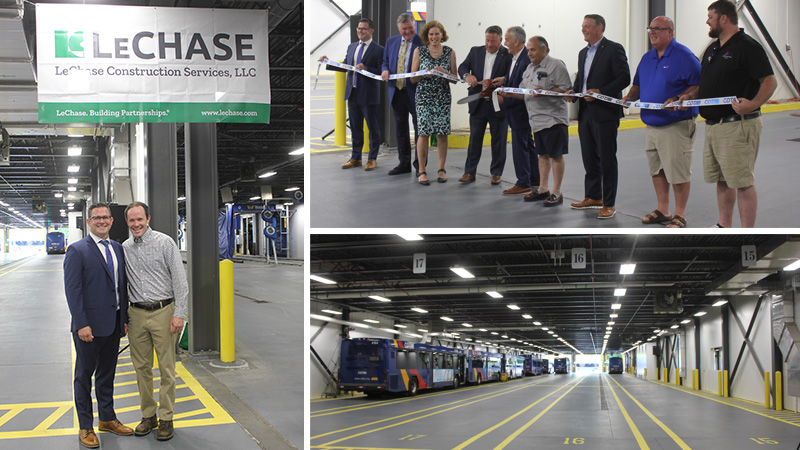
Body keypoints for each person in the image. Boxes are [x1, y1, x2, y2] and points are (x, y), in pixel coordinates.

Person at [678, 0, 776, 228]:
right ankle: (724, 225)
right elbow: (708, 84)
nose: (707, 21)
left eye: (710, 16)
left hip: (737, 125)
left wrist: (752, 104)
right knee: (722, 180)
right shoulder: (714, 48)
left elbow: (770, 81)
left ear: (723, 18)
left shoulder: (747, 46)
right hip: (713, 126)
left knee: (742, 181)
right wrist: (690, 96)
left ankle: (746, 232)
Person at [64, 202, 133, 448]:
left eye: (106, 217)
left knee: (107, 374)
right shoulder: (77, 250)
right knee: (84, 376)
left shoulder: (117, 248)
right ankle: (85, 426)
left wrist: (124, 318)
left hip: (114, 324)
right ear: (89, 221)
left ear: (112, 221)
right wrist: (81, 324)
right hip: (89, 328)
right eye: (96, 218)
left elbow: (121, 287)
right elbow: (73, 291)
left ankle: (107, 418)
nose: (102, 221)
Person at [621, 16, 701, 228]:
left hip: (677, 123)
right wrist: (629, 97)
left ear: (671, 32)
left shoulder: (685, 57)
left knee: (678, 170)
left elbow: (699, 86)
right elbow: (638, 84)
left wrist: (681, 98)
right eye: (651, 28)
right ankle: (663, 209)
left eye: (658, 29)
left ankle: (680, 214)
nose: (652, 32)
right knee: (657, 170)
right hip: (652, 124)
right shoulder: (647, 58)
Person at [123, 201, 189, 441]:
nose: (136, 224)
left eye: (140, 219)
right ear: (127, 223)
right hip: (137, 313)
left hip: (164, 311)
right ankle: (148, 416)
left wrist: (179, 314)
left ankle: (166, 417)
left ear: (148, 219)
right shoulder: (125, 247)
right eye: (132, 220)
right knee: (141, 368)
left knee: (166, 368)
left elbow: (180, 281)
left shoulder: (165, 242)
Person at [569, 14, 630, 219]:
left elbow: (624, 77)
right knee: (589, 157)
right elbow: (582, 80)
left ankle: (609, 202)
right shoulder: (582, 53)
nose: (583, 29)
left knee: (607, 158)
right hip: (585, 113)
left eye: (587, 26)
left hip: (605, 113)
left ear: (599, 27)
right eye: (582, 26)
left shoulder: (614, 49)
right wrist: (573, 93)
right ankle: (594, 196)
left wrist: (601, 92)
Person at [501, 36, 572, 207]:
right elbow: (524, 91)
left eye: (533, 50)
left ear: (544, 49)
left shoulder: (556, 65)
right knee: (543, 155)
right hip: (536, 121)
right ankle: (543, 189)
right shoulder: (529, 69)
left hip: (553, 119)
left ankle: (556, 191)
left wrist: (546, 92)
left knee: (556, 156)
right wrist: (509, 93)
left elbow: (567, 90)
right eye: (528, 50)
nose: (529, 53)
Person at [319, 18, 384, 171]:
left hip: (368, 95)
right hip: (352, 93)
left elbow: (382, 71)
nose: (360, 31)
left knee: (373, 129)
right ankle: (356, 158)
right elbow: (347, 66)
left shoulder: (379, 49)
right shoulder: (352, 47)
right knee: (355, 128)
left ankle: (372, 159)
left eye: (364, 29)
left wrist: (366, 67)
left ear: (371, 31)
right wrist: (330, 63)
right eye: (359, 28)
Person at [457, 25, 510, 185]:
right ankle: (469, 172)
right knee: (474, 139)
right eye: (487, 40)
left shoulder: (507, 55)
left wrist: (504, 80)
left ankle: (496, 173)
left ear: (501, 40)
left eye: (493, 41)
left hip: (497, 103)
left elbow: (512, 75)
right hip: (477, 103)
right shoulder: (475, 51)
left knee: (499, 140)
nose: (489, 44)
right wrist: (468, 75)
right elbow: (462, 67)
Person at [409, 20, 458, 185]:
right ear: (426, 36)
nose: (434, 37)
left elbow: (455, 79)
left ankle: (441, 169)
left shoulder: (450, 52)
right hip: (424, 97)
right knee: (423, 133)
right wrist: (425, 73)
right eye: (431, 34)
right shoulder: (419, 51)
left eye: (437, 34)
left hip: (443, 96)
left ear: (442, 35)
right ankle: (422, 171)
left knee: (442, 133)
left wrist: (445, 73)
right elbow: (413, 77)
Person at [495, 26, 539, 196]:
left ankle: (523, 182)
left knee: (519, 146)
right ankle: (534, 177)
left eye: (506, 40)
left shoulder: (525, 60)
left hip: (520, 109)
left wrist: (504, 99)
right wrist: (505, 79)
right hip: (517, 108)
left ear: (516, 41)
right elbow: (517, 79)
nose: (504, 43)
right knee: (527, 143)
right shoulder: (514, 58)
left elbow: (525, 87)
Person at [382, 13, 423, 176]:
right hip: (396, 91)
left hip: (416, 92)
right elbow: (385, 60)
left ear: (415, 26)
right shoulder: (391, 42)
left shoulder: (423, 42)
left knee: (420, 131)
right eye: (404, 29)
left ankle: (420, 166)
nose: (408, 32)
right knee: (401, 130)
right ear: (399, 29)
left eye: (411, 28)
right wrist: (385, 69)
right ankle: (404, 163)